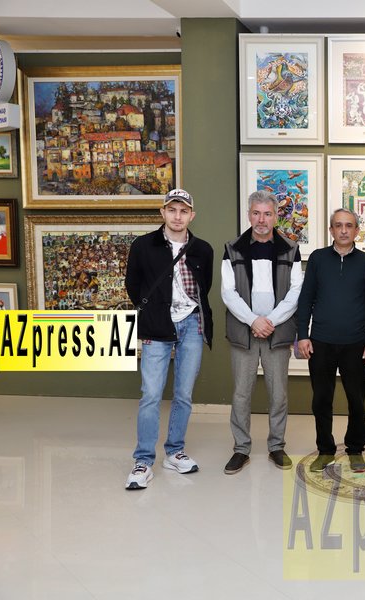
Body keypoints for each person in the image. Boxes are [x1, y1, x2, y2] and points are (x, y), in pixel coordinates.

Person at [124, 188, 213, 490]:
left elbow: (204, 287)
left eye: (183, 211)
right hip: (156, 325)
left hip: (191, 324)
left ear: (192, 215)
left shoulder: (203, 249)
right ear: (162, 213)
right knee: (151, 394)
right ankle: (143, 461)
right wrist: (153, 313)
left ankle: (174, 451)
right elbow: (133, 285)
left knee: (184, 393)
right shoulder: (143, 246)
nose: (177, 216)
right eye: (172, 210)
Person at [221, 190, 302, 474]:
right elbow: (228, 292)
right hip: (243, 333)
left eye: (267, 214)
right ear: (249, 215)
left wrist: (270, 321)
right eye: (256, 213)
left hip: (276, 333)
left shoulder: (290, 249)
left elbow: (296, 292)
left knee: (278, 394)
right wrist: (254, 320)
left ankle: (276, 446)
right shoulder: (232, 248)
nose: (261, 219)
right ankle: (241, 449)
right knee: (241, 394)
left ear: (276, 216)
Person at [297, 208, 365, 473]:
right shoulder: (318, 259)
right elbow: (306, 299)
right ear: (331, 230)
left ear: (357, 230)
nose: (344, 230)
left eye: (349, 225)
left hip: (356, 343)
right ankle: (325, 450)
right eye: (338, 225)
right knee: (321, 399)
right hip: (320, 342)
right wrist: (302, 335)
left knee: (357, 399)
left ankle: (355, 449)